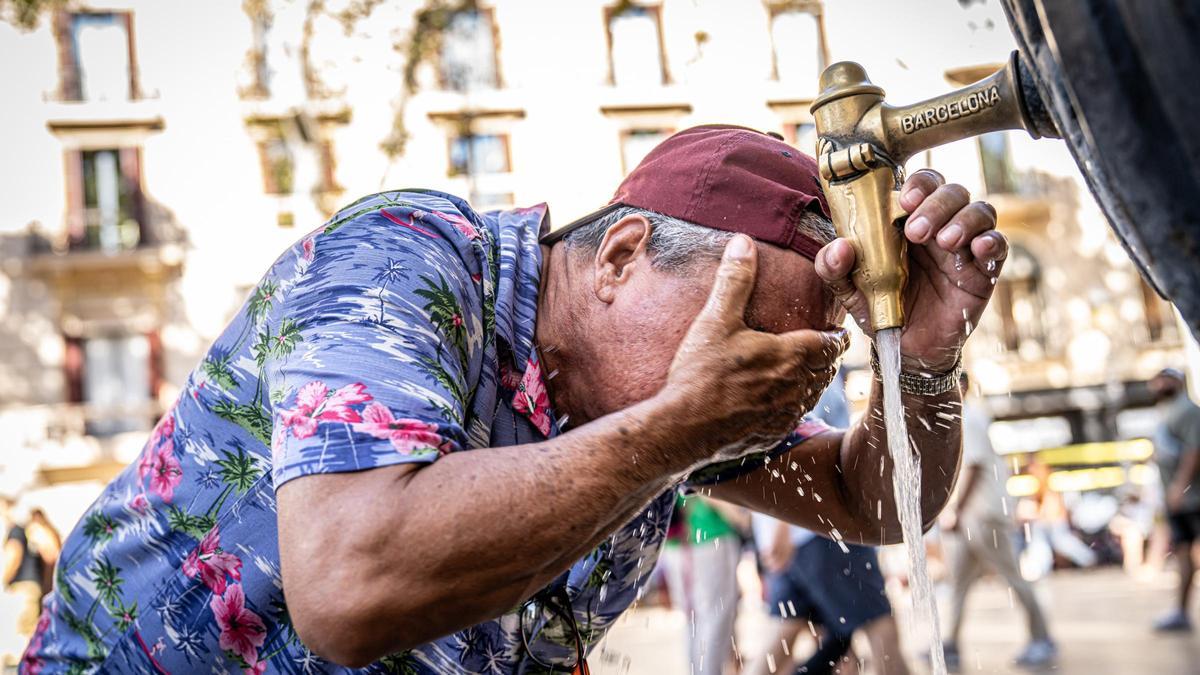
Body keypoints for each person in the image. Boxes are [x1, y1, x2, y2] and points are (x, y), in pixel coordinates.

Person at [24, 125, 1008, 673]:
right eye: (748, 327)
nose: (763, 380)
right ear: (622, 255)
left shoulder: (692, 400)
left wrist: (922, 358)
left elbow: (867, 501)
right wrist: (676, 430)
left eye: (792, 356)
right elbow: (349, 591)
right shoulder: (405, 259)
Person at [746, 373, 909, 675]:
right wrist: (784, 524)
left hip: (796, 534)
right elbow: (798, 453)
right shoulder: (808, 368)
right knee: (879, 627)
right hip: (823, 529)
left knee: (784, 638)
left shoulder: (775, 367)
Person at [941, 372, 1054, 670]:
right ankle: (948, 645)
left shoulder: (971, 417)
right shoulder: (960, 417)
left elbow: (974, 468)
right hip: (970, 518)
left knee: (1012, 577)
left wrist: (956, 510)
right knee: (959, 584)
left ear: (960, 385)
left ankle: (1042, 638)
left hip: (984, 515)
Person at [660, 494, 746, 675]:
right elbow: (708, 490)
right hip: (710, 537)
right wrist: (742, 517)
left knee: (694, 621)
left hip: (677, 543)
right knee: (715, 619)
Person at [1147, 367, 1200, 631]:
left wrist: (1181, 485)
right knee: (1183, 553)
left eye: (1166, 379)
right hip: (1177, 499)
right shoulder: (1166, 412)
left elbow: (1194, 450)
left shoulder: (1188, 410)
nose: (1160, 384)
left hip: (1193, 498)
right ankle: (1181, 611)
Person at [4, 500, 60, 643]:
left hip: (24, 586)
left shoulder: (22, 530)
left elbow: (14, 554)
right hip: (36, 586)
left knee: (23, 632)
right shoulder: (33, 531)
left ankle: (28, 664)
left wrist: (4, 579)